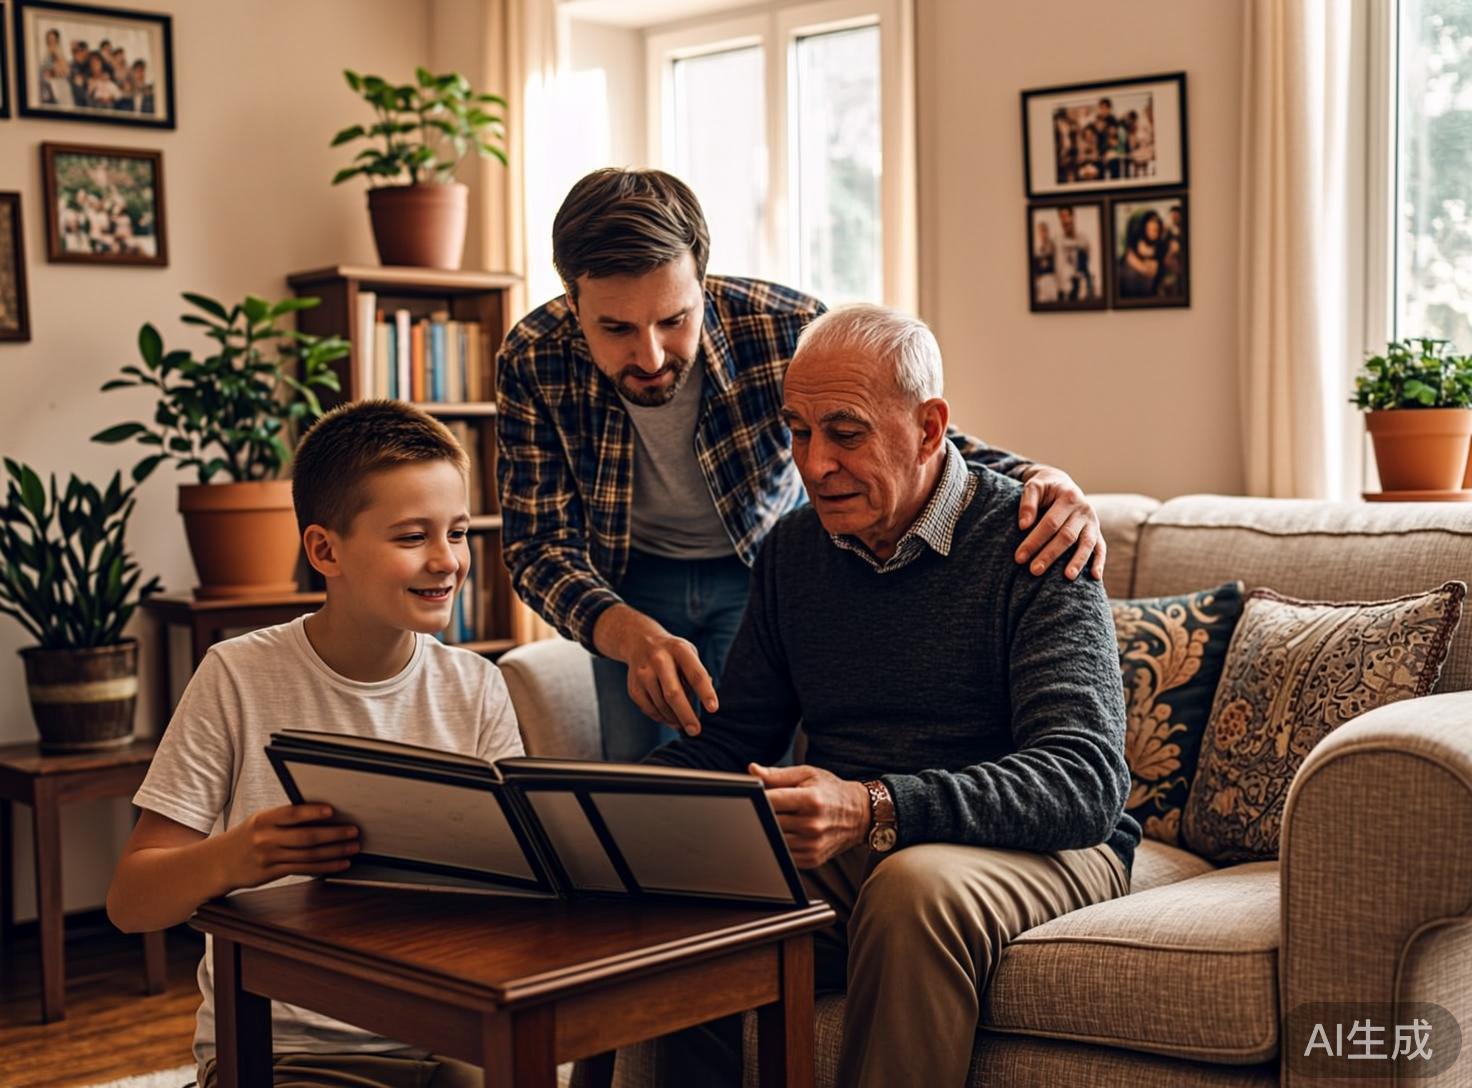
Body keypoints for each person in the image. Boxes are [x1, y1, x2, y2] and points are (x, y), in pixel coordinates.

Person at [644, 303, 1138, 1086]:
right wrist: (601, 805)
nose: (814, 465)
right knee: (683, 879)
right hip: (861, 844)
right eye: (798, 432)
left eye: (846, 434)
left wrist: (872, 806)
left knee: (911, 889)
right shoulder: (793, 552)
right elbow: (736, 740)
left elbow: (1083, 782)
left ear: (930, 428)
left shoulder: (1037, 540)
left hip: (1043, 848)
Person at [496, 168, 1108, 763]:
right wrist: (629, 635)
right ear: (572, 302)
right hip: (628, 579)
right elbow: (537, 545)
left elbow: (897, 429)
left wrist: (1038, 478)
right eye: (616, 328)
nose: (651, 355)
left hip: (759, 567)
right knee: (640, 777)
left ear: (701, 284)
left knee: (756, 766)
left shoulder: (784, 326)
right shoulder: (532, 358)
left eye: (674, 320)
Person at [106, 401, 517, 1088]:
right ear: (325, 551)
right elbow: (130, 901)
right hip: (284, 1051)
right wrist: (237, 856)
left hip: (446, 1037)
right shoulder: (237, 675)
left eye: (458, 532)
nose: (446, 560)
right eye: (412, 536)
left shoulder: (477, 687)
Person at [1118, 207, 1164, 298]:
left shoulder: (1160, 248)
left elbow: (1152, 272)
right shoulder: (1132, 247)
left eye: (1156, 230)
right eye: (1150, 229)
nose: (1154, 231)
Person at [1055, 204, 1094, 300]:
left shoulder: (1083, 239)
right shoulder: (1057, 241)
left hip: (1081, 289)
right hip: (1063, 291)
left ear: (1072, 217)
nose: (1064, 220)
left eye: (1066, 216)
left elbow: (1087, 265)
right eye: (1061, 217)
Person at [1032, 218, 1058, 303]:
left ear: (1047, 232)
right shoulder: (1036, 249)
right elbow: (1035, 270)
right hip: (1041, 281)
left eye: (1044, 231)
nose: (1043, 234)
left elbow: (1055, 265)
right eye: (1041, 231)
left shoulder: (1053, 246)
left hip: (1051, 279)